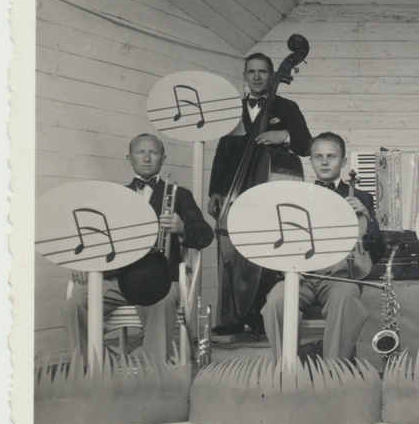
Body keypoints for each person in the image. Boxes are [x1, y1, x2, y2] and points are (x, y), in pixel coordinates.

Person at [62, 134, 214, 363]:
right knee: (75, 306)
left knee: (162, 300)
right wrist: (82, 261)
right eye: (140, 152)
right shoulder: (115, 197)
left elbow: (205, 235)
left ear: (163, 158)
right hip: (118, 279)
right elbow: (95, 236)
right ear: (129, 158)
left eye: (153, 152)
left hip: (161, 279)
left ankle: (151, 374)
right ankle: (91, 368)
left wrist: (183, 227)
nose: (146, 157)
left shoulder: (180, 195)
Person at [208, 52, 313, 334]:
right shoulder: (233, 111)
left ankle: (262, 321)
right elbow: (222, 153)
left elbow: (306, 145)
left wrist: (285, 136)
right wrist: (215, 191)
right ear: (244, 76)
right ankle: (230, 319)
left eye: (263, 72)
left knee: (268, 253)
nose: (256, 77)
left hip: (270, 195)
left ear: (271, 75)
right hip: (235, 191)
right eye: (251, 72)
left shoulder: (287, 107)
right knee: (230, 251)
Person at [259, 132, 385, 362]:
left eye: (331, 156)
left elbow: (377, 250)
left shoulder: (361, 196)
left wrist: (367, 217)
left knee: (346, 298)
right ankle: (286, 365)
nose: (324, 162)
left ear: (343, 162)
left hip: (339, 277)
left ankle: (333, 369)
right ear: (311, 161)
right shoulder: (298, 196)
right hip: (303, 276)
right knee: (276, 299)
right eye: (318, 157)